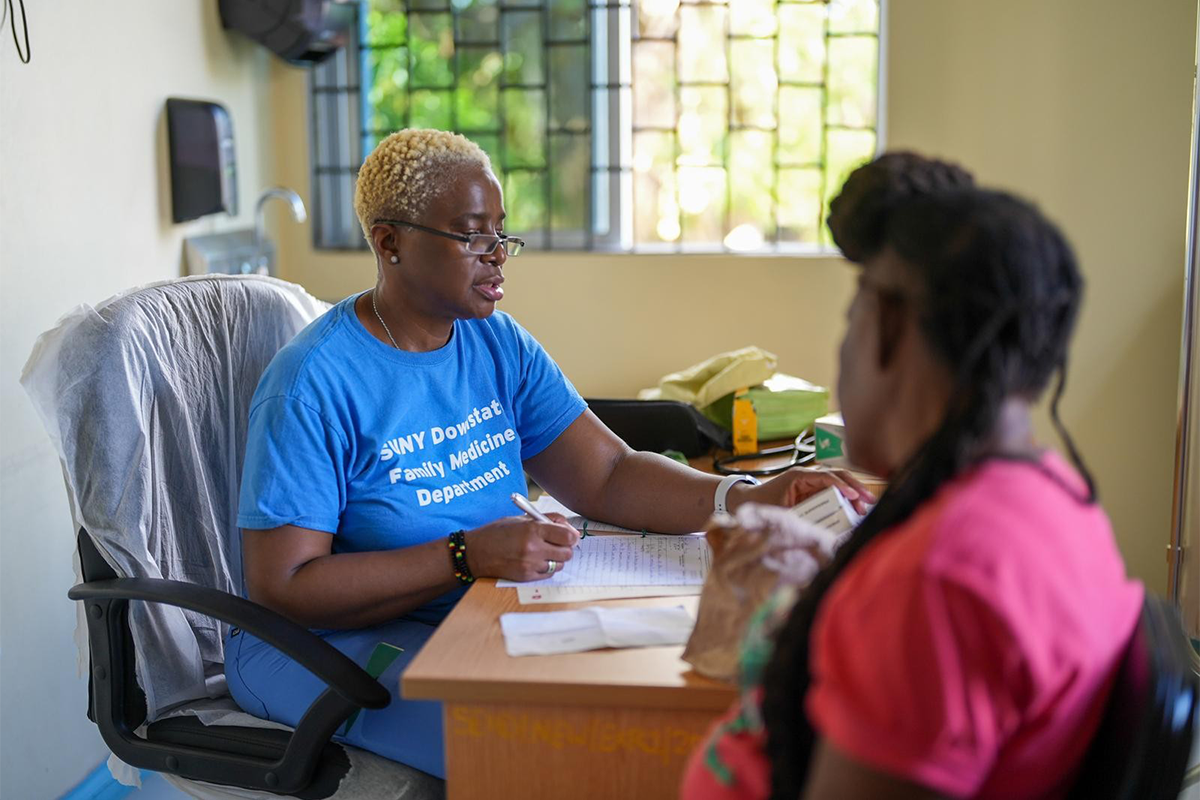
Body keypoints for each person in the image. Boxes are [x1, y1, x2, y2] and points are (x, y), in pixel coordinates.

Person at [224, 128, 873, 779]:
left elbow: (610, 473)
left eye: (501, 234)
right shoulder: (313, 383)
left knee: (657, 715)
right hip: (316, 648)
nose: (498, 256)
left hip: (472, 605)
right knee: (543, 752)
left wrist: (744, 496)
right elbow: (285, 587)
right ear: (389, 241)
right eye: (472, 235)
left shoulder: (494, 342)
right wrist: (465, 553)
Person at [681, 153, 1144, 800]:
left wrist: (843, 609)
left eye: (851, 318)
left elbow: (936, 615)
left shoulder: (934, 586)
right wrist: (835, 593)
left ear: (888, 327)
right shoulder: (1057, 499)